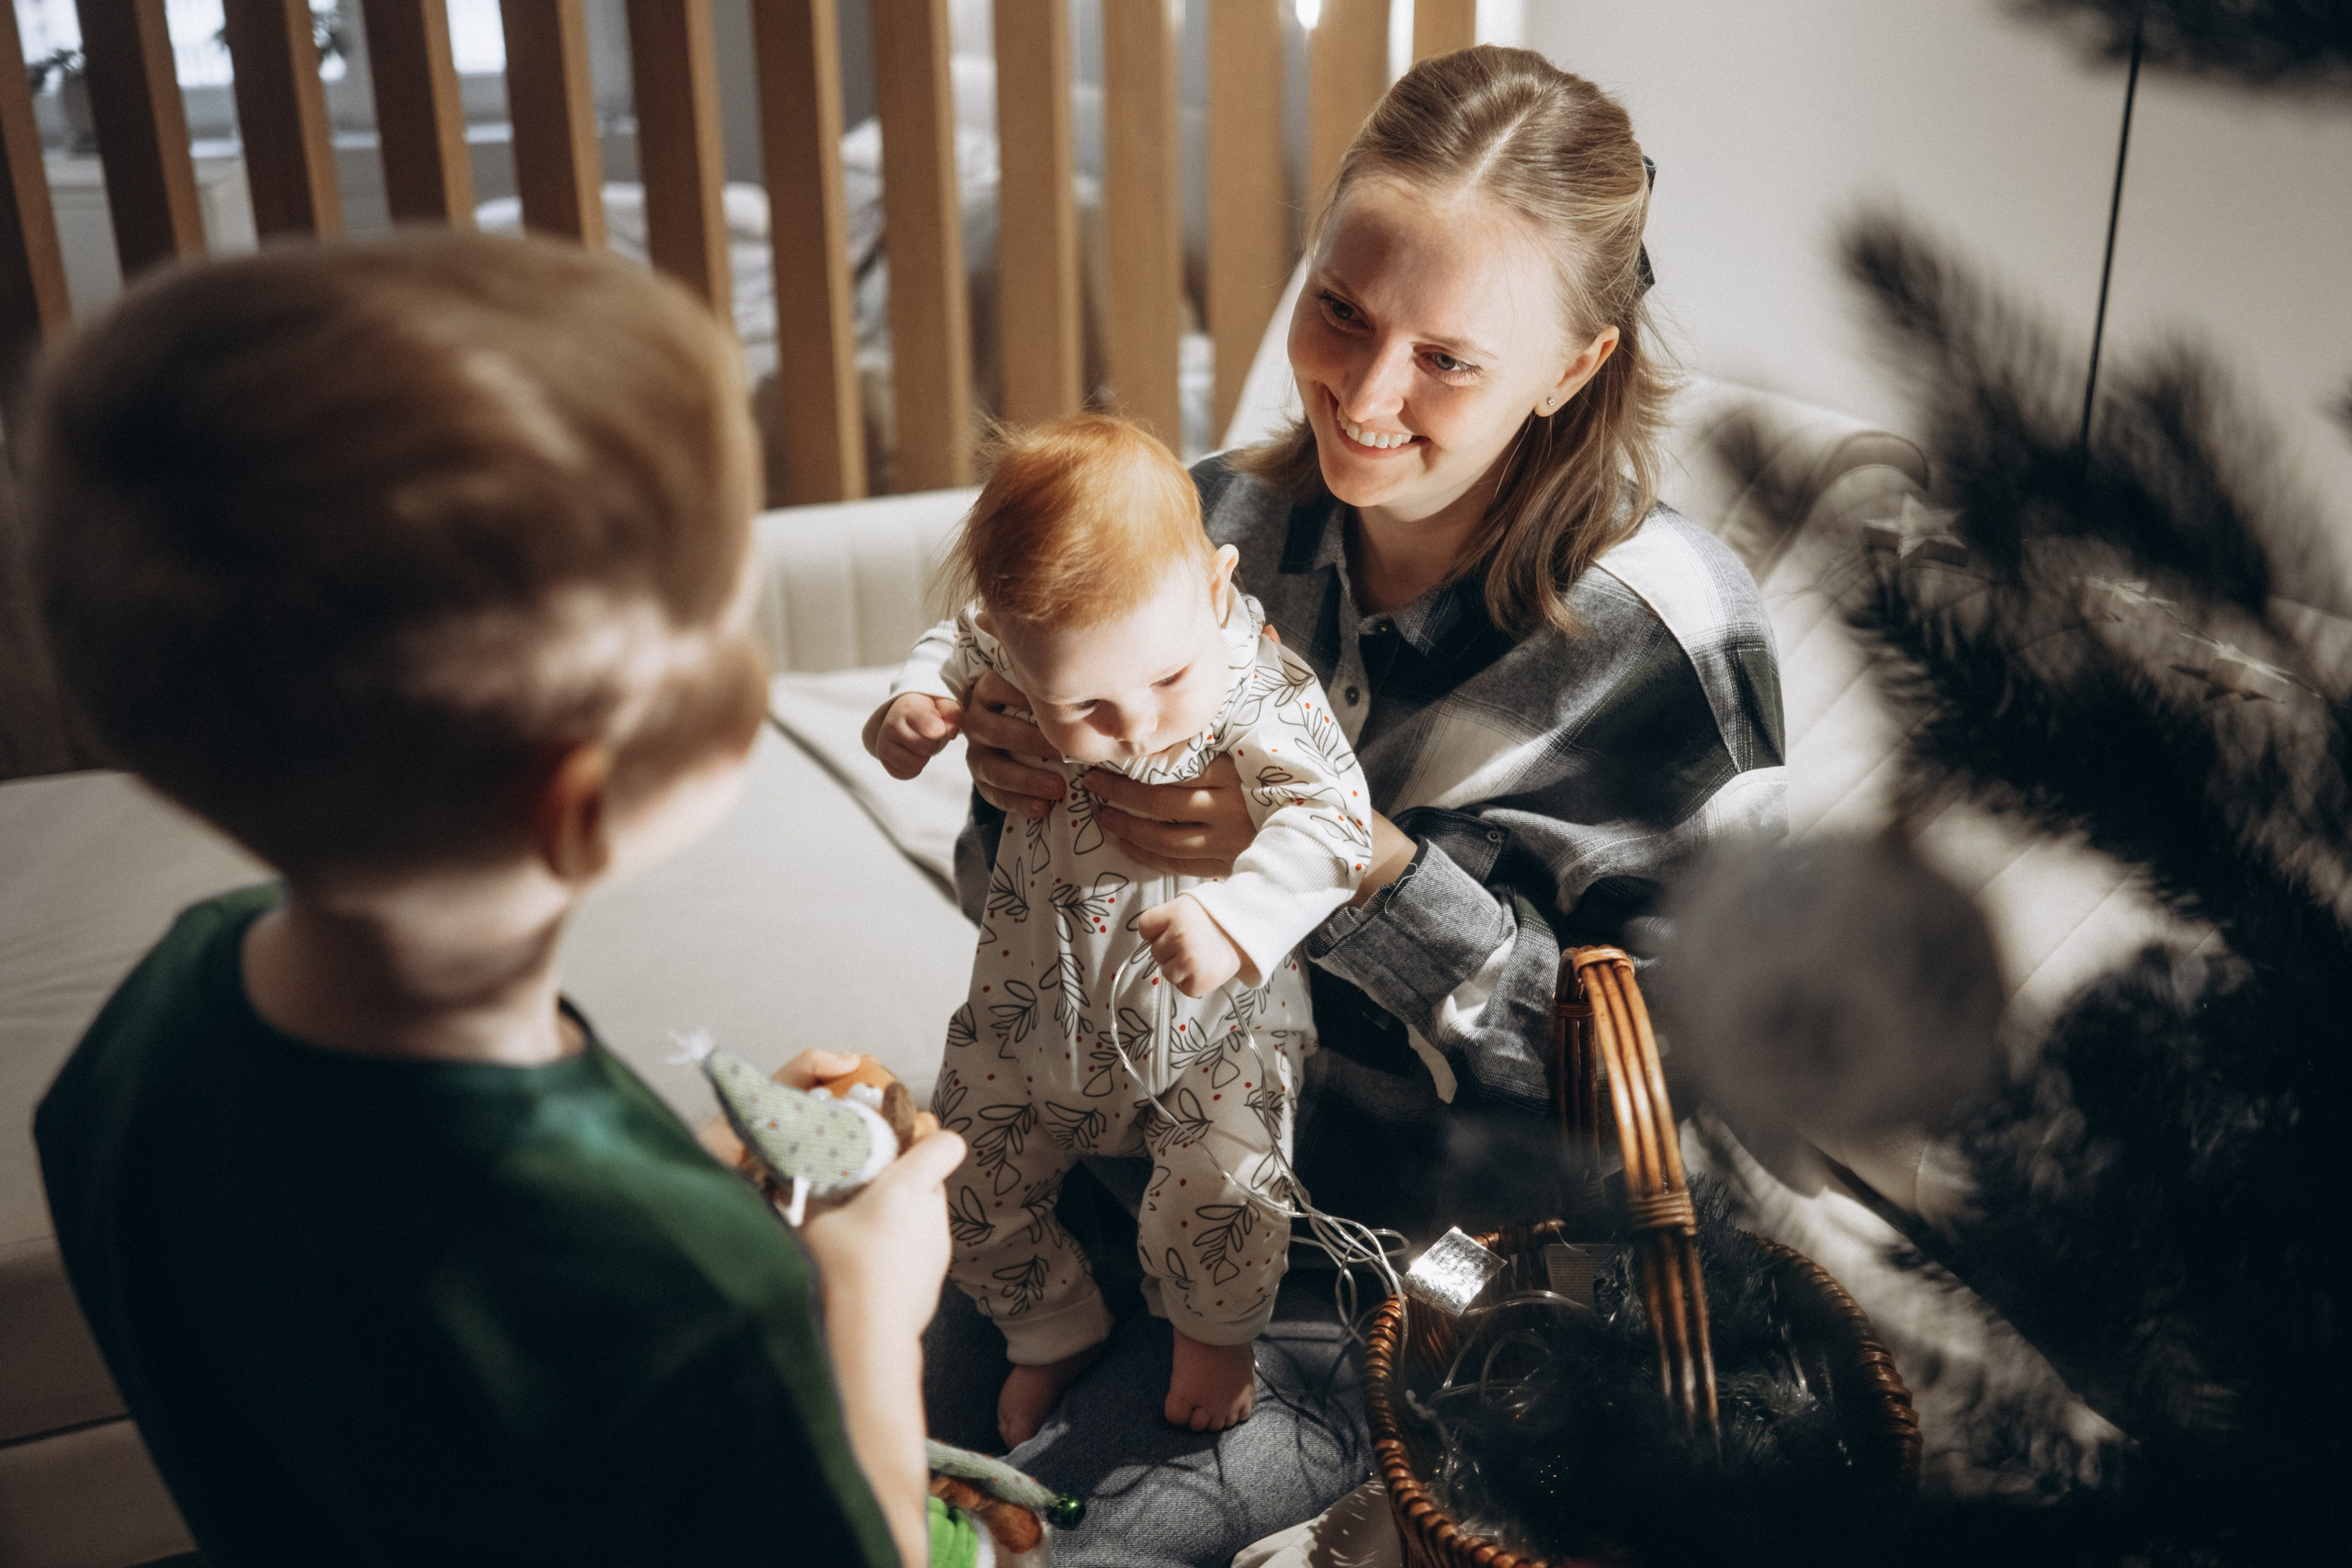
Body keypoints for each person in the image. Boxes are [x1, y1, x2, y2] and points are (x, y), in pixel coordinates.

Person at [922, 45, 1785, 1568]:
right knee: (796, 1425)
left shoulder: (1662, 642)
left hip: (1387, 1281)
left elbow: (1677, 1084)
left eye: (1448, 359)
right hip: (1094, 1176)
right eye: (1341, 311)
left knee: (1054, 1549)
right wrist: (1021, 784)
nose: (1365, 394)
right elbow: (993, 887)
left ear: (1574, 367)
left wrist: (1365, 877)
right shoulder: (1206, 526)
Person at [28, 233, 964, 1568]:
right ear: (580, 804)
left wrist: (677, 1179)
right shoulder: (708, 1306)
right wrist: (869, 1306)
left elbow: (416, 1285)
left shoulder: (158, 1013)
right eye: (723, 617)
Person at [865, 414, 1374, 1446]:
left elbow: (1336, 821)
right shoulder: (1006, 641)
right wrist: (909, 706)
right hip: (1030, 1011)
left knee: (1226, 1183)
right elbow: (947, 645)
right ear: (1013, 646)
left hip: (1212, 1024)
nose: (1136, 723)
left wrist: (1238, 917)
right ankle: (1050, 1326)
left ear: (1219, 586)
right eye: (1085, 704)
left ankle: (1213, 1340)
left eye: (1165, 681)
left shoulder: (1256, 685)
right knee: (956, 1175)